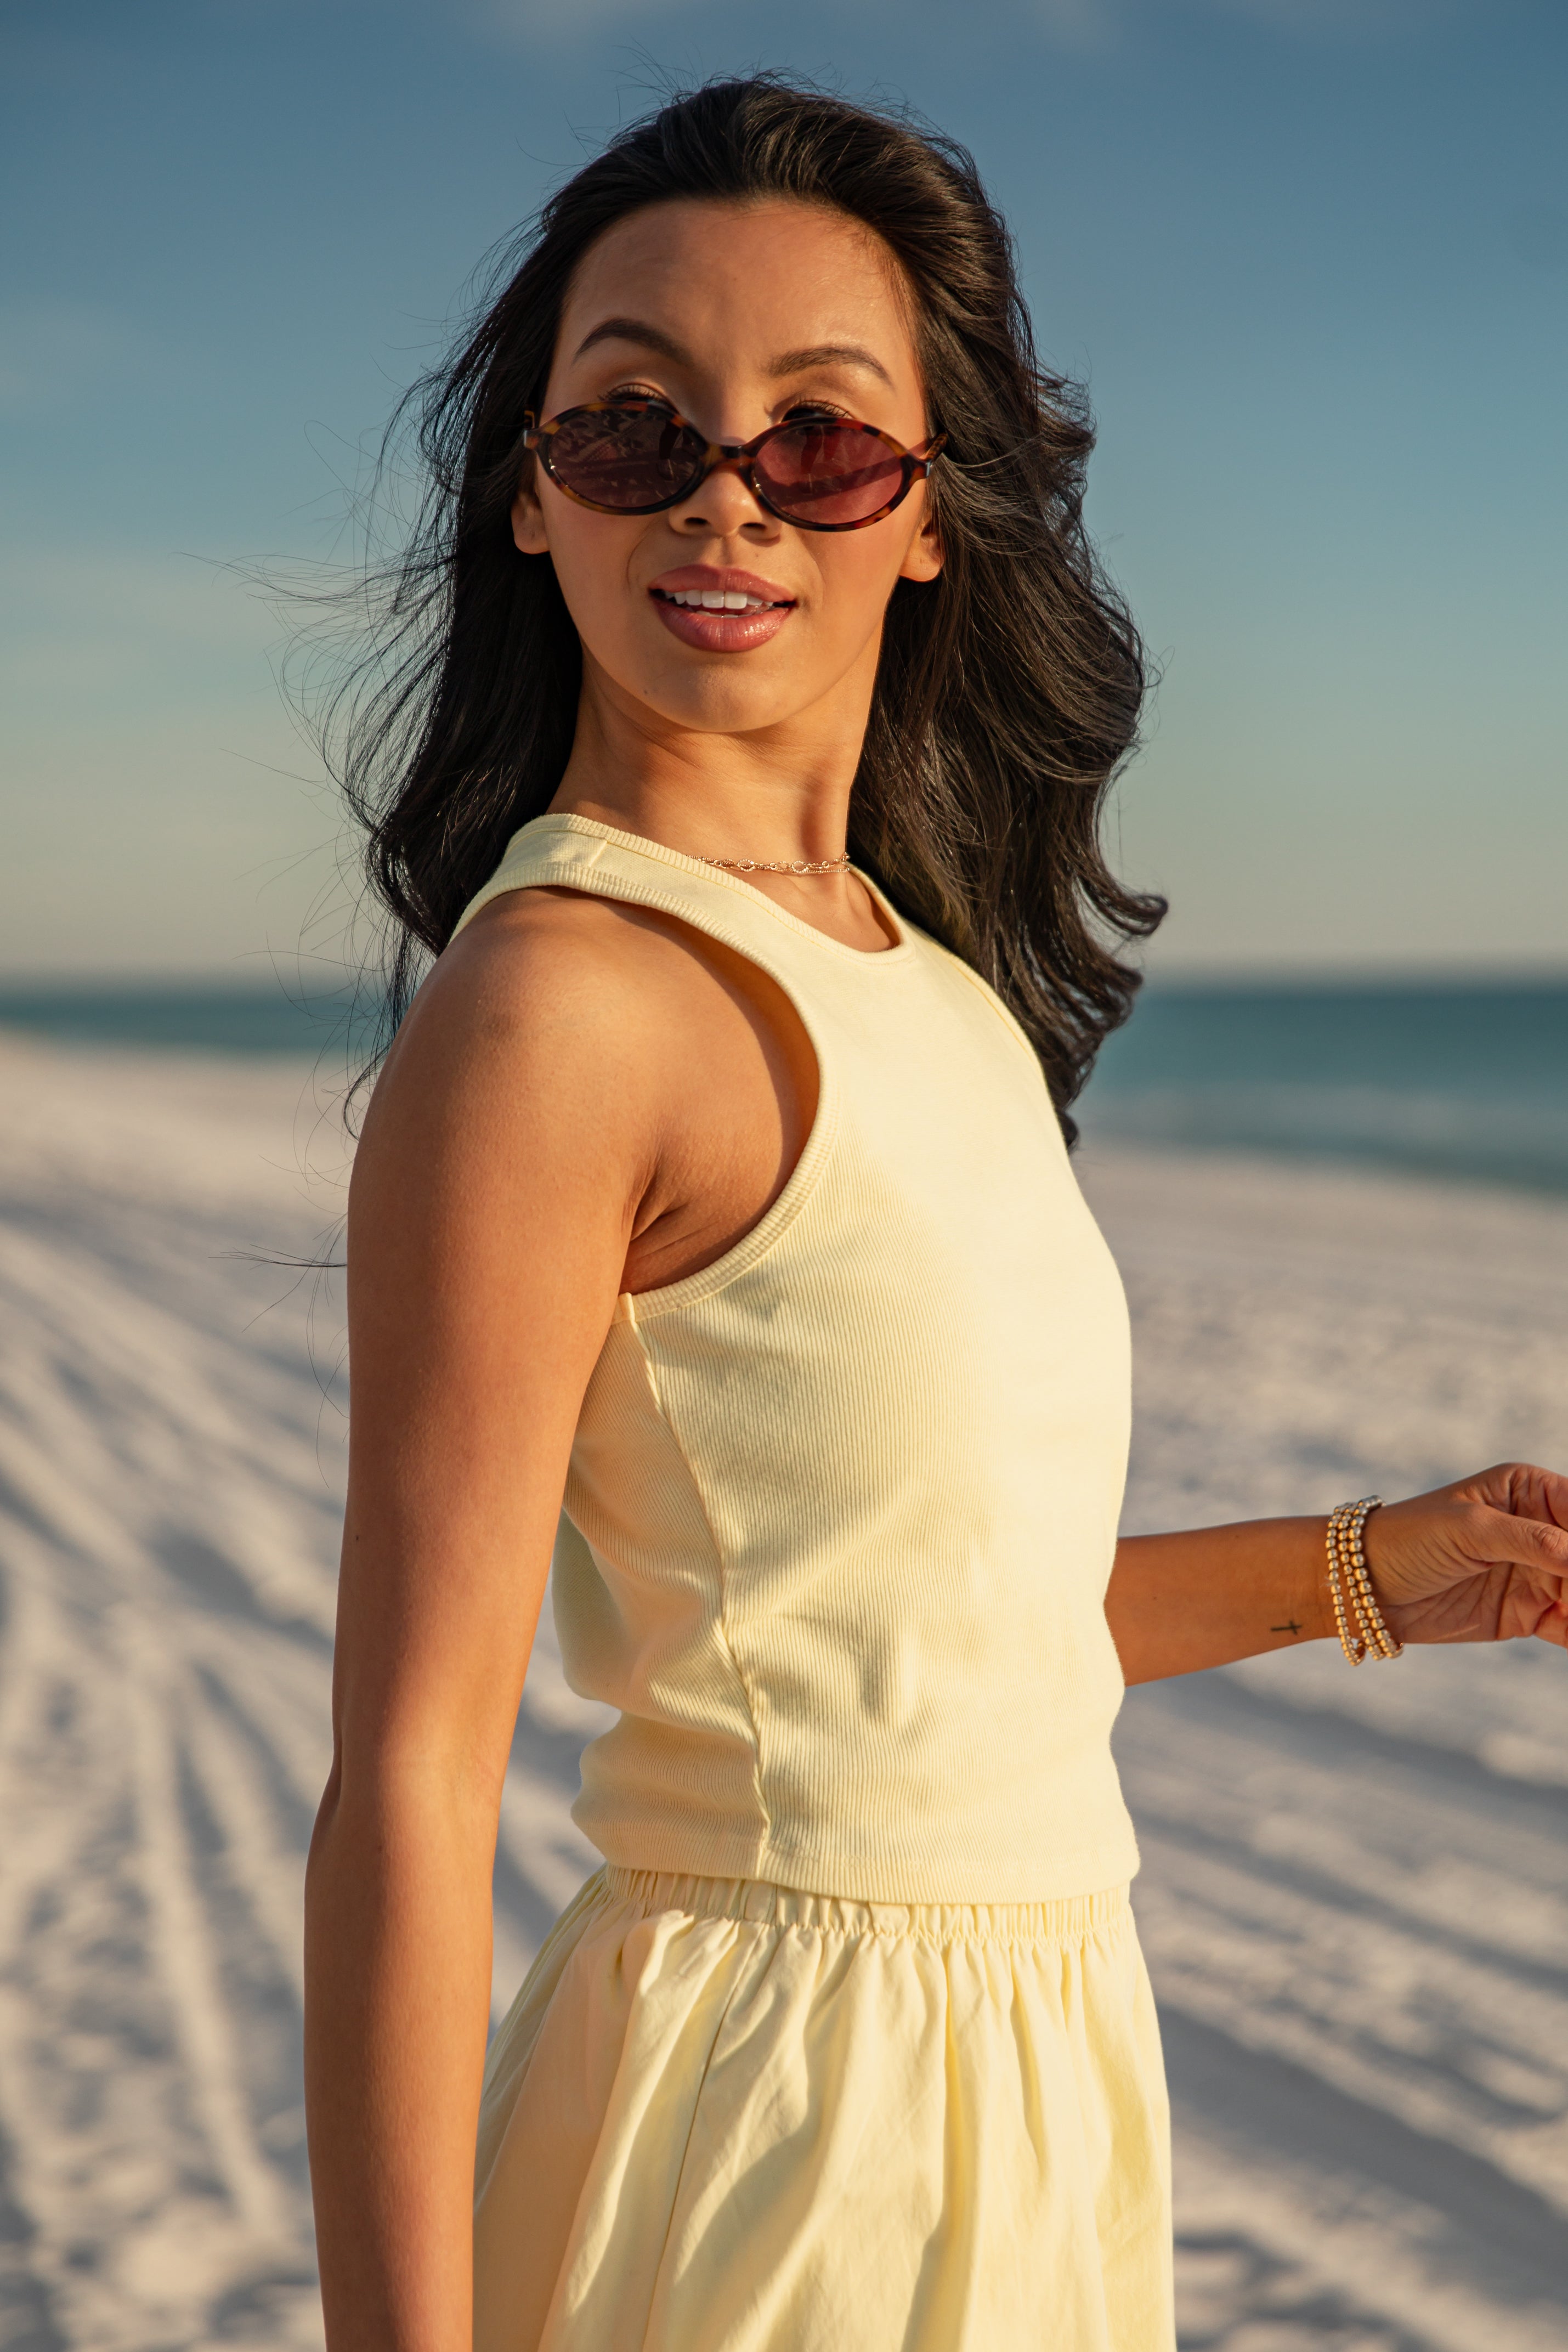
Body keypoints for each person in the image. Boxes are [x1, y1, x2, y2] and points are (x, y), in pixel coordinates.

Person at [301, 76, 1567, 2352]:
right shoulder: (562, 1007)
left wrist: (1377, 1568)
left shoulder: (929, 986)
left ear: (928, 519)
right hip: (782, 2127)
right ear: (532, 499)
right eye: (631, 424)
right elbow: (411, 1774)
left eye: (819, 440)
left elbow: (922, 1655)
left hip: (1038, 2080)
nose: (723, 493)